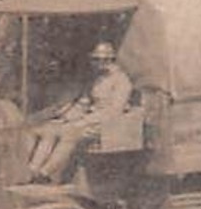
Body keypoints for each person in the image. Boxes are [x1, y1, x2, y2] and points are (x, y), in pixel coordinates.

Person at [27, 41, 135, 182]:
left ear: (111, 59)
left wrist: (84, 120)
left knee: (70, 133)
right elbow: (83, 102)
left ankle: (45, 174)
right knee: (50, 130)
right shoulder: (96, 78)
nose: (99, 63)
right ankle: (32, 170)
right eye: (96, 59)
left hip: (107, 125)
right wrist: (67, 117)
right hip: (87, 120)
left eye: (103, 59)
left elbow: (114, 111)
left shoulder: (122, 81)